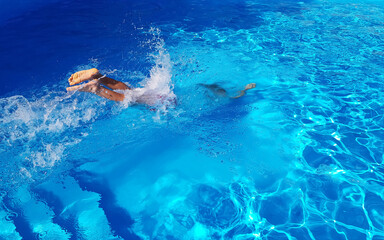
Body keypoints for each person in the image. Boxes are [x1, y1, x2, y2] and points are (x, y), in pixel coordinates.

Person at [66, 68, 256, 103]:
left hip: (165, 91)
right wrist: (245, 90)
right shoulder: (220, 97)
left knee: (133, 91)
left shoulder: (202, 86)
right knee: (131, 100)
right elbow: (235, 96)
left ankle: (100, 77)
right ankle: (96, 88)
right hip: (170, 102)